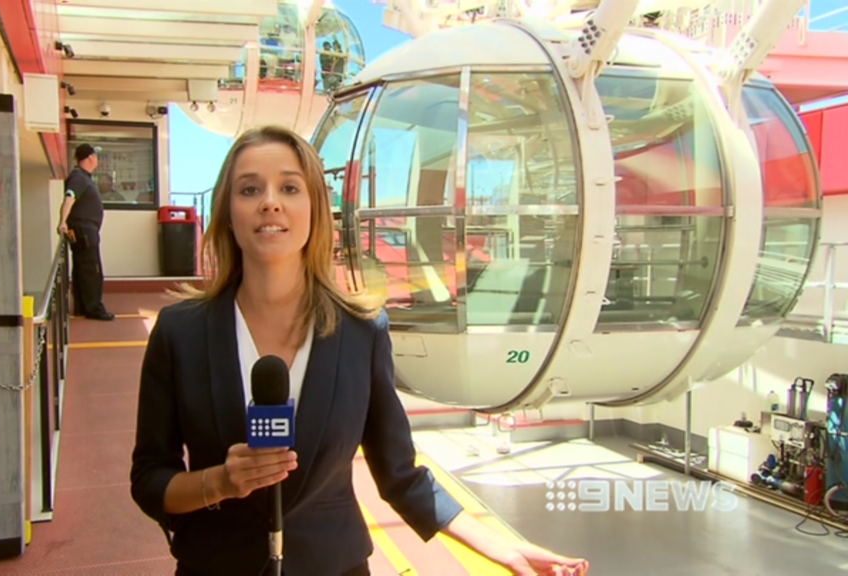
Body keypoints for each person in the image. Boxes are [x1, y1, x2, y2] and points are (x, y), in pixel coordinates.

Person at [130, 125, 589, 576]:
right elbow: (150, 478)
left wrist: (500, 547)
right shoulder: (180, 332)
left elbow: (400, 474)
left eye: (289, 187)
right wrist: (218, 483)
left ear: (315, 209)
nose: (270, 201)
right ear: (227, 213)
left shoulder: (361, 332)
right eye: (250, 189)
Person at [57, 143, 114, 321]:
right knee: (91, 268)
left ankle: (82, 306)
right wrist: (63, 221)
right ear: (90, 158)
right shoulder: (79, 177)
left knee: (82, 267)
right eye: (95, 156)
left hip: (84, 229)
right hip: (84, 229)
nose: (96, 159)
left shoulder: (82, 177)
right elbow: (69, 198)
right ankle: (94, 308)